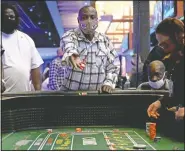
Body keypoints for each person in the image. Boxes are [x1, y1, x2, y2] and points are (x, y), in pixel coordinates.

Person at [60, 5, 120, 93]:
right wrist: (72, 55)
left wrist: (108, 83)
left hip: (97, 96)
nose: (89, 21)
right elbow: (69, 46)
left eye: (92, 17)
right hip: (72, 96)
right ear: (78, 20)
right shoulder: (70, 36)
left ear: (97, 20)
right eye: (84, 17)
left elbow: (113, 65)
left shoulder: (104, 40)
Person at [147, 18, 184, 141]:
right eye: (160, 45)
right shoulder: (175, 62)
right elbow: (178, 94)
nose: (164, 49)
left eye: (166, 44)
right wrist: (161, 102)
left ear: (179, 38)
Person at [1, 3, 43, 93]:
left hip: (24, 95)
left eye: (11, 16)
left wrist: (38, 91)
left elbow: (35, 67)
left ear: (16, 19)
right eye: (5, 17)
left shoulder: (26, 39)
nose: (9, 19)